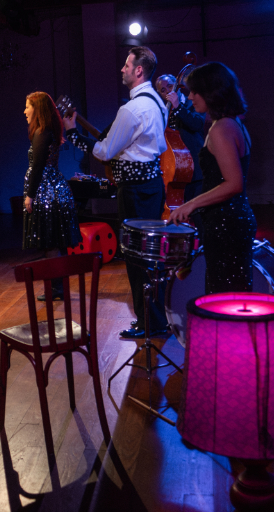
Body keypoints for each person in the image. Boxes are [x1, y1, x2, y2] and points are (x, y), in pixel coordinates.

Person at [64, 46, 168, 339]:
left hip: (134, 190)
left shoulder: (131, 109)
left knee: (136, 258)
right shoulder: (157, 102)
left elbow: (105, 151)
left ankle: (150, 323)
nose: (122, 69)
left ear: (139, 70)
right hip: (152, 185)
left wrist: (72, 133)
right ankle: (155, 318)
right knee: (149, 256)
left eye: (126, 65)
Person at [166, 62, 256, 294]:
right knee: (231, 295)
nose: (190, 97)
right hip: (231, 219)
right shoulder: (231, 123)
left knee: (223, 297)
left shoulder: (222, 129)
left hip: (226, 223)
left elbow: (234, 184)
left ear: (212, 92)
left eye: (195, 91)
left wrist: (191, 204)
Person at [22, 92, 82, 301]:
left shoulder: (42, 132)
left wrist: (29, 195)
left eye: (28, 107)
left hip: (46, 191)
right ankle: (58, 288)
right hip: (55, 188)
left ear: (37, 109)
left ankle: (56, 289)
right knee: (57, 241)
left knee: (50, 242)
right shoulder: (49, 130)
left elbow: (38, 166)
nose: (25, 111)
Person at [155, 73, 207, 207]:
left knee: (197, 212)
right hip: (173, 171)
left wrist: (178, 106)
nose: (168, 92)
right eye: (163, 90)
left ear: (178, 86)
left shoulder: (193, 103)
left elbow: (197, 124)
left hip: (194, 170)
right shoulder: (162, 112)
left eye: (170, 86)